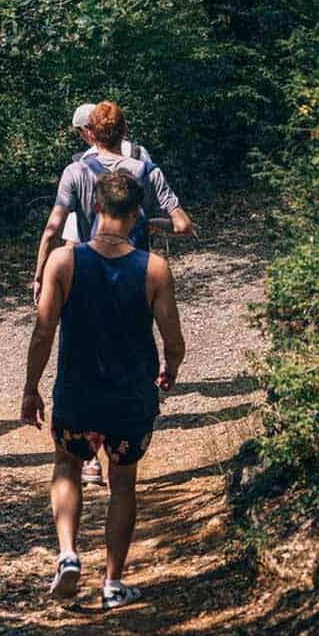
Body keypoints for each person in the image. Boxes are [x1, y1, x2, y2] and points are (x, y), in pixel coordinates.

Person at [21, 170, 185, 609]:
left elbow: (43, 333)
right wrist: (170, 371)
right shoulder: (153, 268)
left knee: (67, 465)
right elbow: (174, 342)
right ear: (138, 215)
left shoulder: (63, 261)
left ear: (94, 207)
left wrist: (31, 388)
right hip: (131, 398)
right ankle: (113, 583)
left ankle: (68, 554)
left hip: (77, 393)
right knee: (123, 484)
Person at [34, 101, 192, 486]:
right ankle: (118, 448)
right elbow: (183, 225)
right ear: (125, 130)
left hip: (83, 271)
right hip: (137, 273)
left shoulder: (76, 171)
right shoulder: (144, 167)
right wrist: (147, 225)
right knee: (131, 351)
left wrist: (40, 274)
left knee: (84, 353)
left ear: (89, 132)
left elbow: (54, 226)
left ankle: (87, 457)